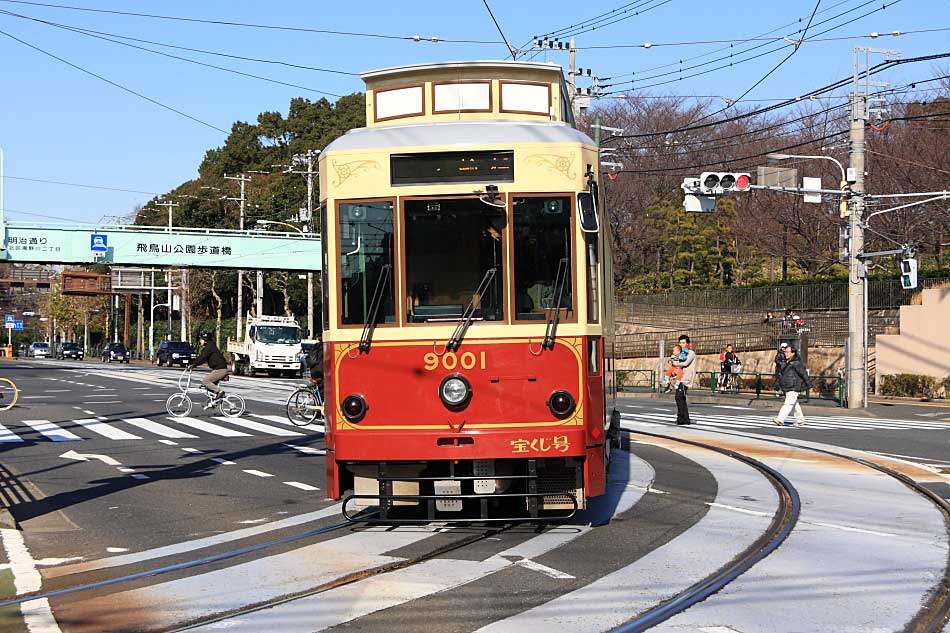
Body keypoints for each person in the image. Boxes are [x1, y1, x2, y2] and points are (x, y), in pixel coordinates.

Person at [189, 332, 229, 408]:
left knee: (205, 381)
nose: (200, 341)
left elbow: (203, 357)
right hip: (218, 368)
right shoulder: (210, 346)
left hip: (220, 369)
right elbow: (202, 358)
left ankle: (220, 392)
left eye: (201, 339)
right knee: (207, 386)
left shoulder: (209, 347)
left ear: (205, 340)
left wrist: (193, 365)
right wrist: (194, 364)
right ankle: (214, 401)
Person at [773, 345, 809, 427]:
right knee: (795, 405)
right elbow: (782, 375)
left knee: (788, 404)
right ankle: (800, 420)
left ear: (793, 353)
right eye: (785, 352)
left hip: (794, 386)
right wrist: (778, 385)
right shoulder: (786, 363)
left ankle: (780, 419)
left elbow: (803, 374)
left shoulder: (797, 363)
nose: (785, 353)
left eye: (787, 352)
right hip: (788, 386)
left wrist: (808, 384)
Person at [670, 334, 696, 425]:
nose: (681, 344)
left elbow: (685, 363)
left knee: (679, 397)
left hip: (685, 379)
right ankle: (685, 418)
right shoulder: (679, 352)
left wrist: (675, 362)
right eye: (680, 342)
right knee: (681, 398)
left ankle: (681, 417)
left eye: (683, 342)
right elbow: (672, 361)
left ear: (688, 343)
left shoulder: (690, 353)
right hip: (679, 378)